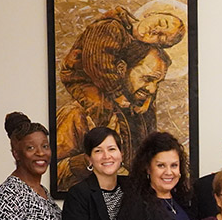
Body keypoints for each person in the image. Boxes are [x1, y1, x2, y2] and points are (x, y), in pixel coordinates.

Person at [56, 44, 172, 190]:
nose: (152, 89)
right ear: (121, 69)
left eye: (157, 83)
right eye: (148, 79)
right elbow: (55, 174)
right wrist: (90, 160)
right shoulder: (78, 113)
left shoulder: (141, 115)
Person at [59, 6, 184, 128]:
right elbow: (98, 64)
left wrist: (149, 100)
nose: (156, 31)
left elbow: (153, 77)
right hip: (82, 76)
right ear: (150, 14)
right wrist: (117, 93)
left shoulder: (140, 45)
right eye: (161, 23)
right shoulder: (110, 28)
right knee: (101, 107)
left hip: (109, 81)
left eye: (161, 37)